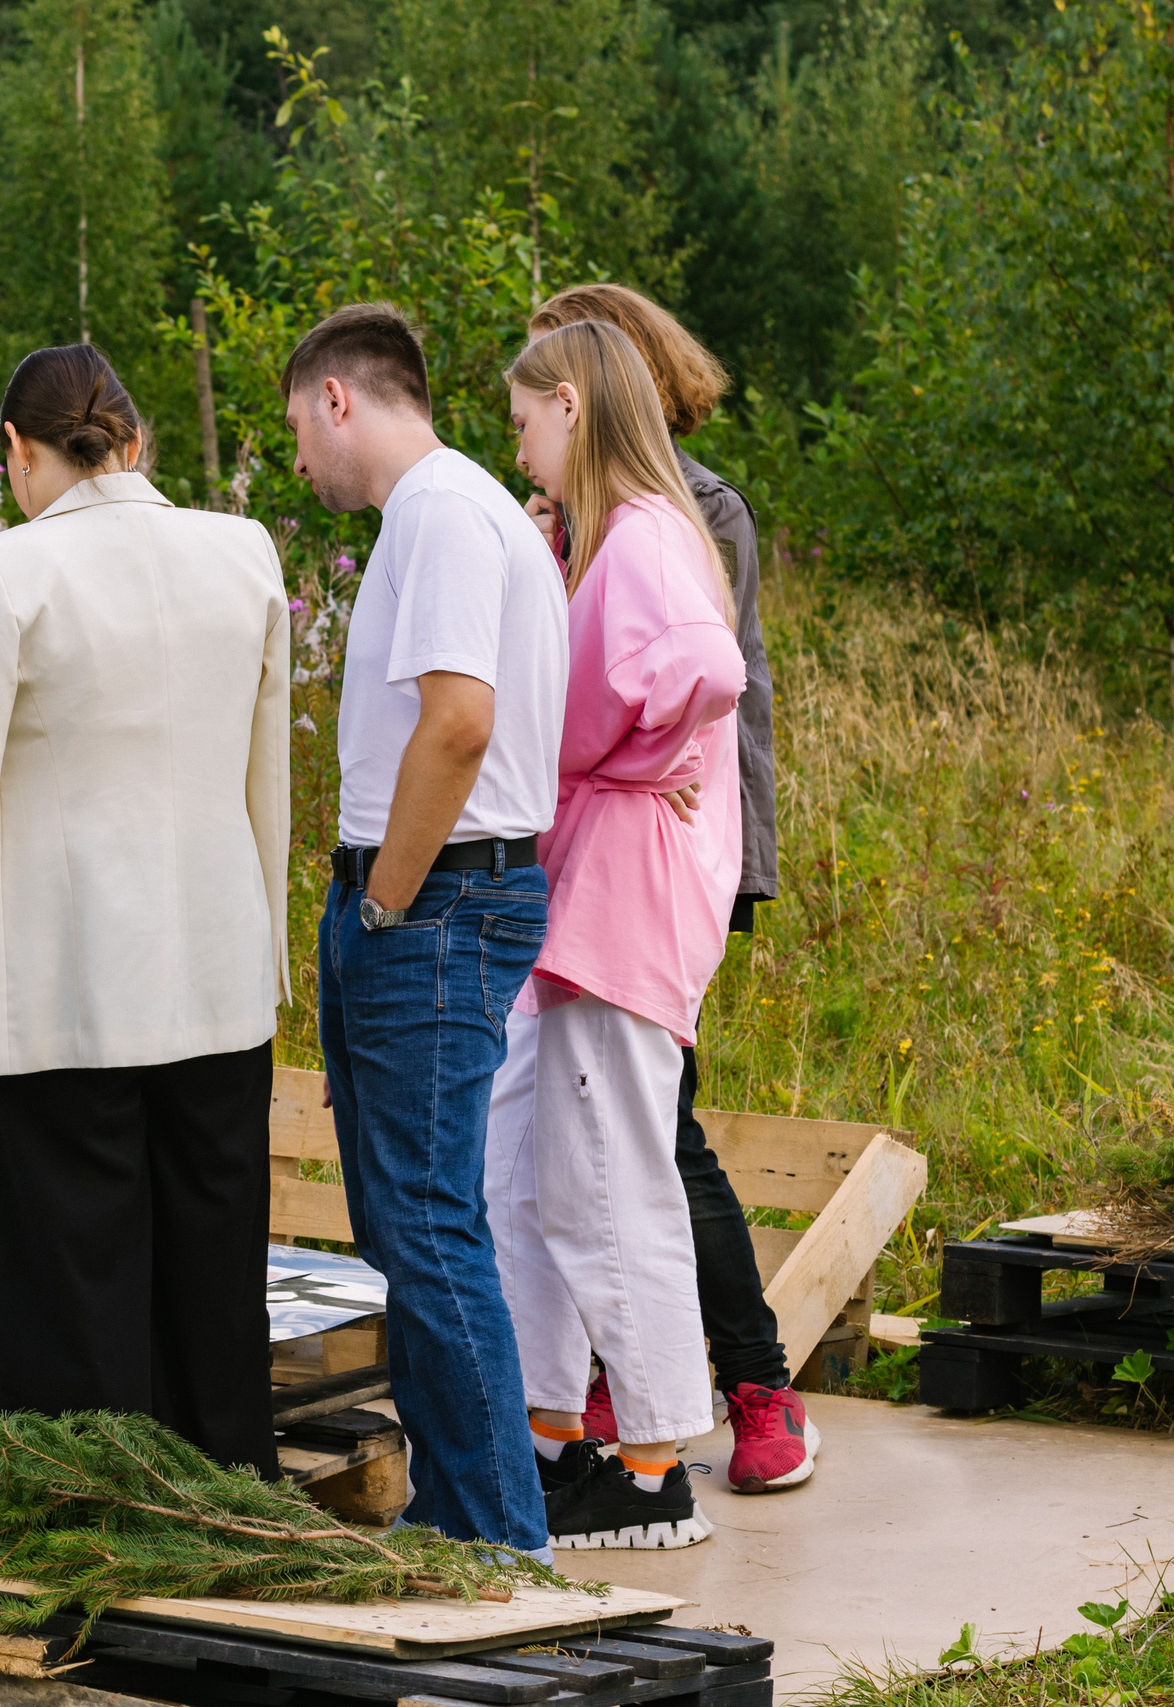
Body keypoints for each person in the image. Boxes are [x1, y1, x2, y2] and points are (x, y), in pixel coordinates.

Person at [0, 343, 291, 1477]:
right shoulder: (242, 553)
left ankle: (82, 1536)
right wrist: (268, 948)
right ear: (135, 442)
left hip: (55, 995)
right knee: (210, 1276)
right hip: (216, 974)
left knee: (65, 1283)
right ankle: (229, 1509)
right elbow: (265, 784)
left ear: (18, 450)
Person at [512, 283, 810, 1494]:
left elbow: (695, 672)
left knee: (652, 1139)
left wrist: (617, 760)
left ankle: (748, 1387)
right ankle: (611, 1394)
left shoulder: (691, 511)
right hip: (618, 851)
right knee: (605, 1139)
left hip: (670, 851)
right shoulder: (587, 514)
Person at [287, 302, 567, 1553]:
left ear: (340, 400)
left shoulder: (445, 513)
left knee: (428, 1223)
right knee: (409, 1223)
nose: (298, 459)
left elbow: (458, 722)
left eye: (299, 428)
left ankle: (505, 1542)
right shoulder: (449, 511)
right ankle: (465, 1516)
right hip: (426, 895)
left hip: (438, 899)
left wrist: (388, 898)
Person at [487, 318, 746, 1551]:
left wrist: (640, 758)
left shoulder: (642, 536)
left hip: (622, 898)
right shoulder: (615, 535)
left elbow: (706, 669)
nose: (519, 439)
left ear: (574, 409)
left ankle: (652, 1472)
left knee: (605, 1180)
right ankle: (555, 1432)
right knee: (540, 1172)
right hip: (590, 892)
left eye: (527, 415)